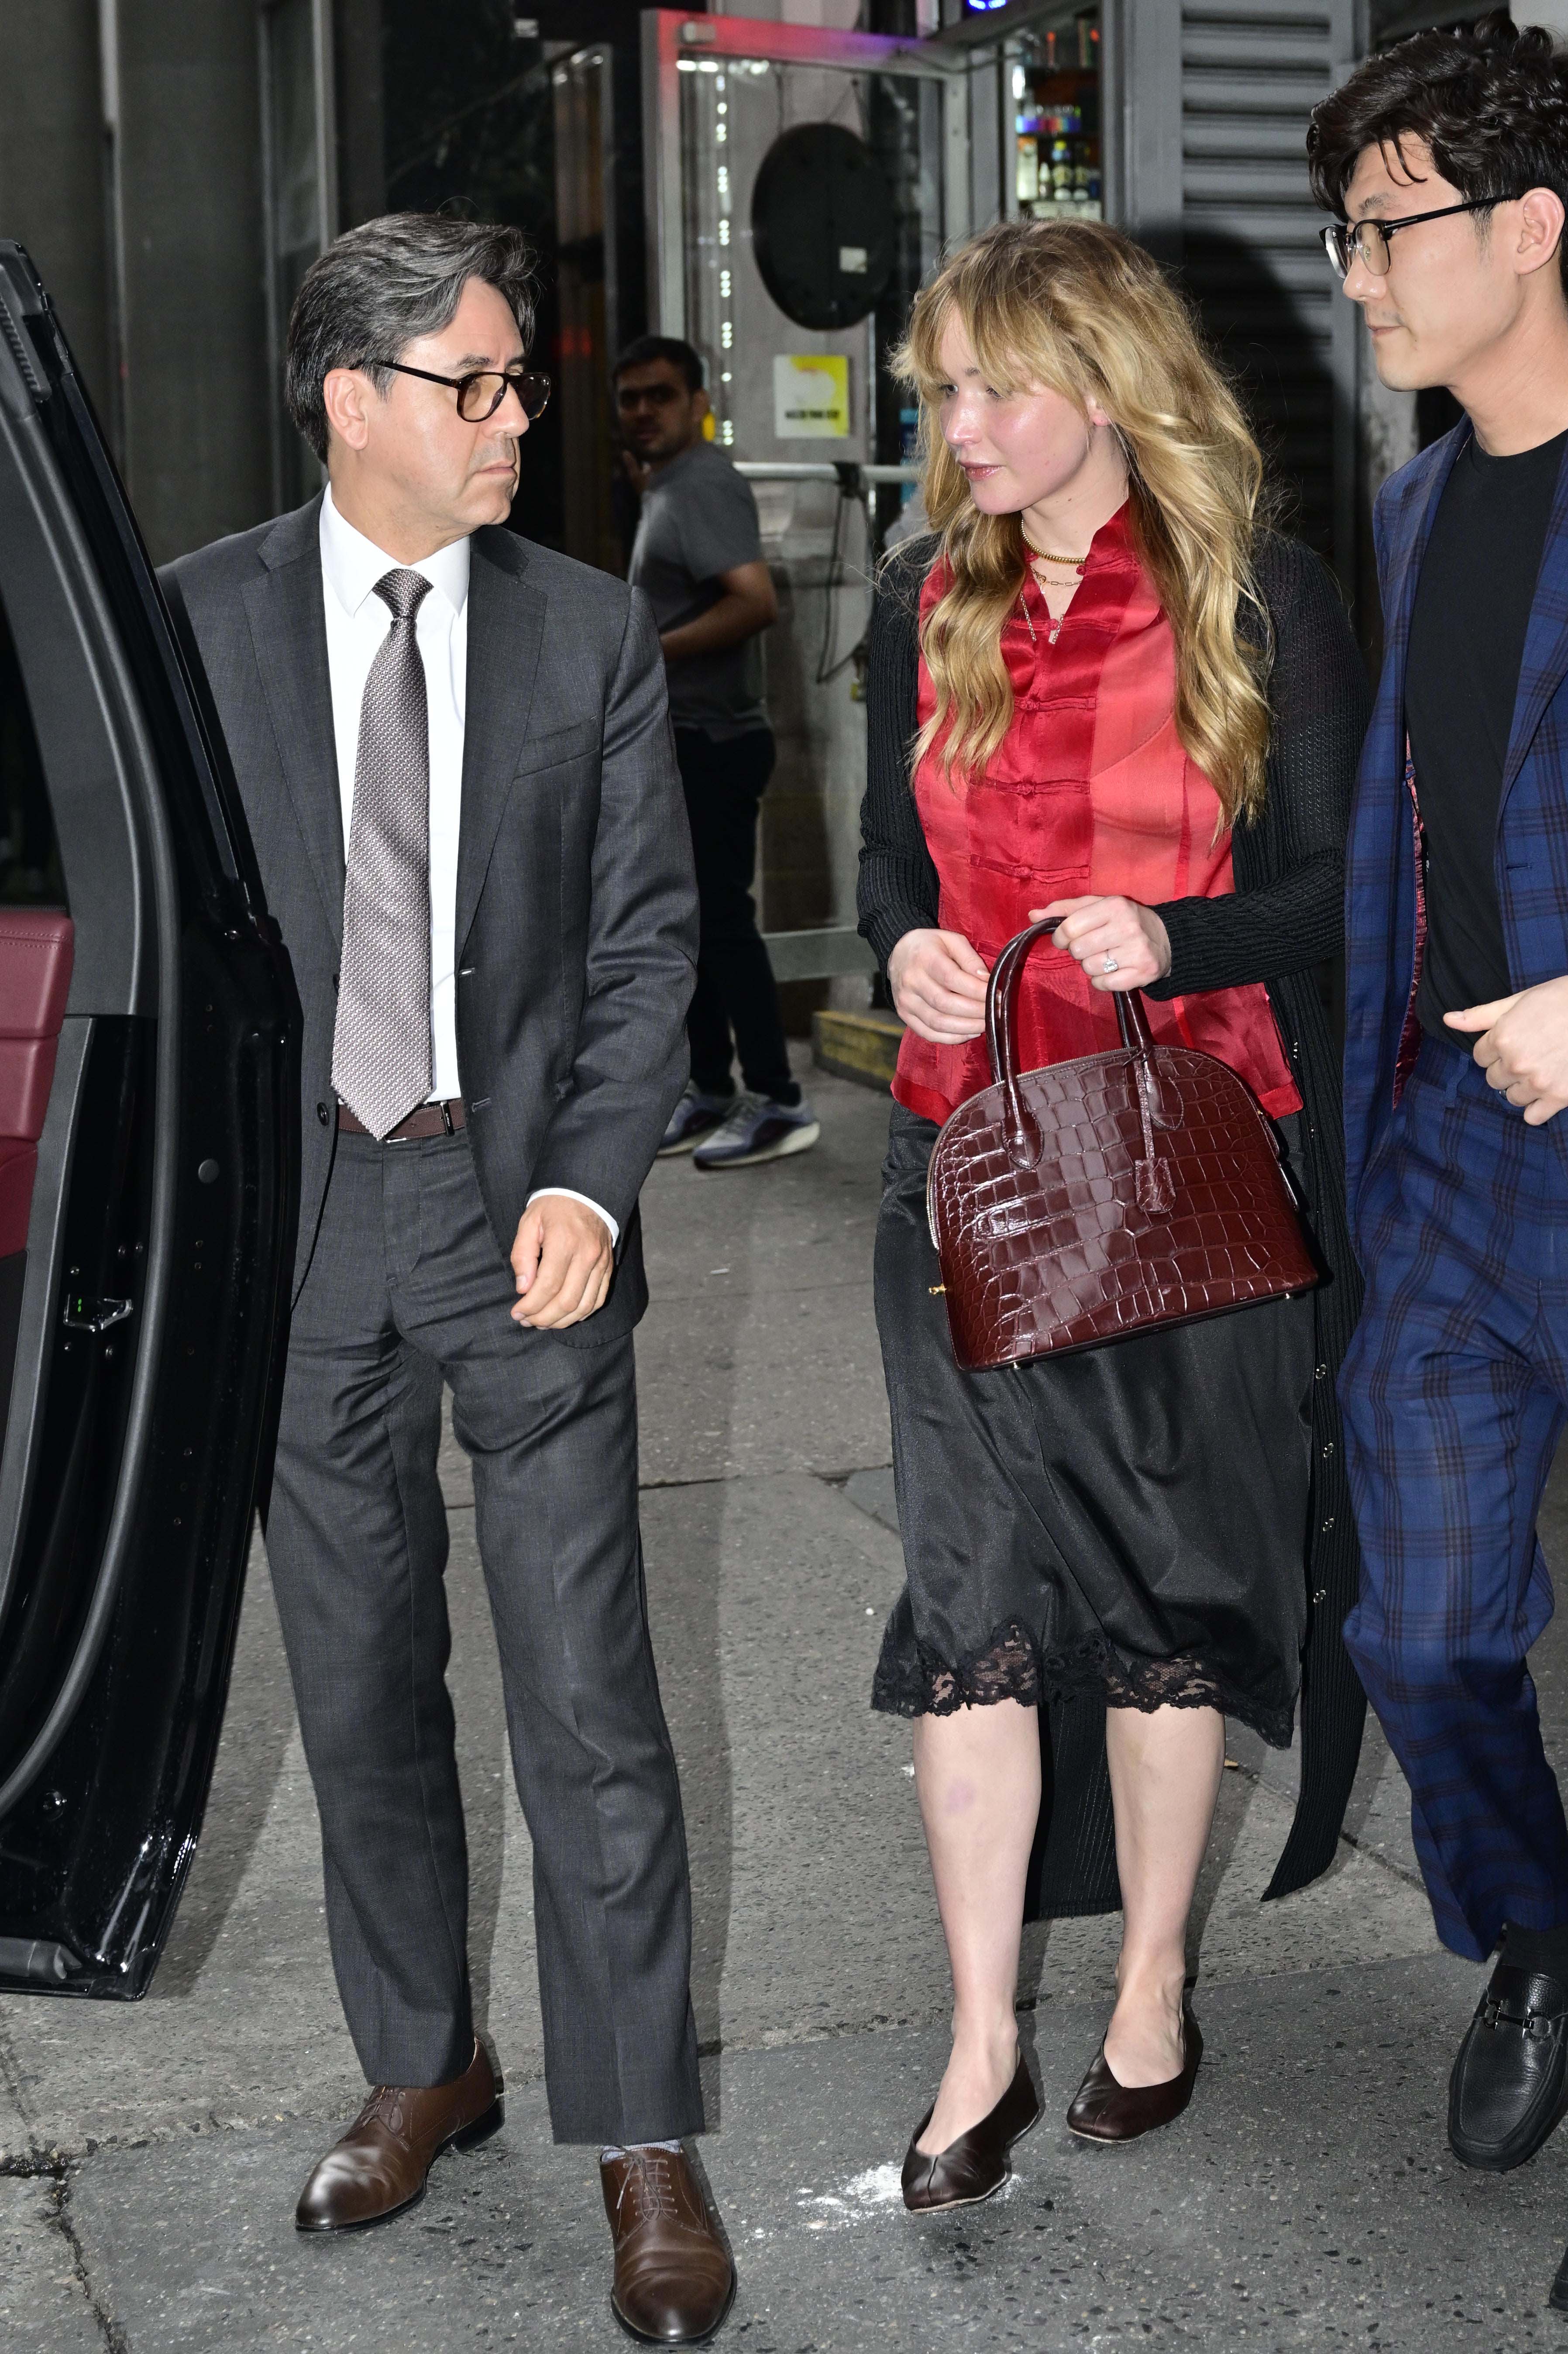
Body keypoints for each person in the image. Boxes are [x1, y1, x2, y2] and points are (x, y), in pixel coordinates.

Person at [162, 215, 734, 2344]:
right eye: (477, 386)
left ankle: (638, 2131)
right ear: (354, 397)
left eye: (520, 385)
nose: (520, 419)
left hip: (522, 1226)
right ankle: (426, 2061)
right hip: (302, 1232)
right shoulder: (195, 625)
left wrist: (592, 1175)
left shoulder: (588, 633)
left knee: (586, 1692)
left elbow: (652, 944)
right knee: (356, 1680)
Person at [858, 216, 1370, 2207]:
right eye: (941, 391)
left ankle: (1148, 1990)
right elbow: (896, 859)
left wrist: (1180, 928)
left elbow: (1347, 892)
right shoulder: (922, 597)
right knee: (968, 1608)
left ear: (1104, 382)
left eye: (987, 385)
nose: (957, 424)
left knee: (1165, 1612)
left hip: (1177, 1159)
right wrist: (904, 943)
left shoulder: (1259, 601)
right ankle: (978, 2034)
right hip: (958, 1160)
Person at [1308, 14, 1568, 2196]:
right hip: (1459, 1135)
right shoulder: (1412, 500)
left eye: (1385, 231)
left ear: (1530, 225)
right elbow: (1411, 829)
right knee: (1417, 1621)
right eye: (1349, 234)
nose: (1358, 278)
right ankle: (1541, 1929)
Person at [614, 334, 819, 1170]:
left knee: (722, 925)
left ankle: (778, 1100)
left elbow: (754, 603)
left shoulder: (701, 484)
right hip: (687, 738)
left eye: (661, 395)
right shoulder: (667, 484)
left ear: (699, 401)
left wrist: (647, 654)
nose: (642, 412)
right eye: (629, 398)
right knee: (687, 924)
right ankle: (709, 1084)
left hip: (717, 740)